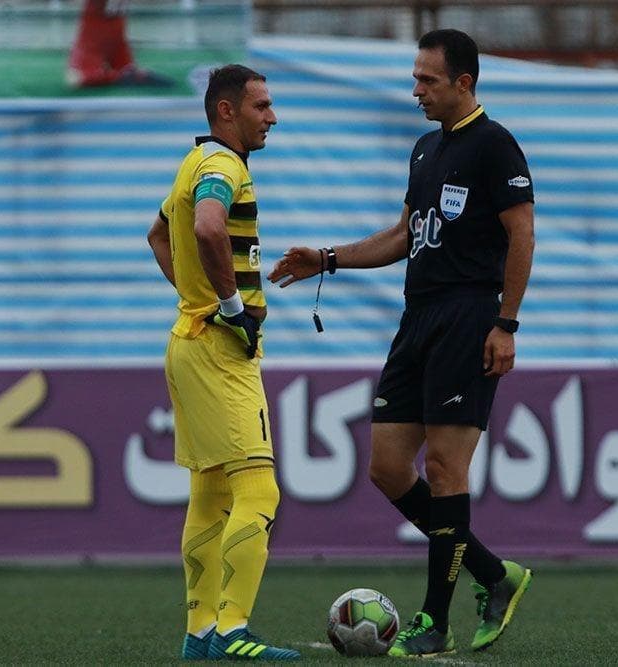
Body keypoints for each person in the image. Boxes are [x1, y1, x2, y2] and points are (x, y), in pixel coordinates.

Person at [268, 29, 535, 657]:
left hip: (469, 319)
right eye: (415, 77)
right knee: (387, 468)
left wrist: (506, 323)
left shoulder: (495, 145)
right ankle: (495, 575)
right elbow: (403, 235)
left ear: (463, 83)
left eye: (427, 80)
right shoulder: (424, 149)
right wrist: (327, 258)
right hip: (418, 320)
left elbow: (522, 235)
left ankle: (434, 623)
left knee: (444, 468)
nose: (416, 90)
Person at [147, 64, 298, 661]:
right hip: (219, 350)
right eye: (261, 106)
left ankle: (201, 632)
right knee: (259, 491)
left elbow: (158, 234)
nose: (272, 117)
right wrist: (229, 306)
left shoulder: (193, 161)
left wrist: (197, 296)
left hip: (188, 341)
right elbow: (208, 227)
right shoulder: (223, 166)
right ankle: (234, 631)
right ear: (226, 111)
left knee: (209, 493)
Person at [67, 0, 171, 88]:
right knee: (77, 78)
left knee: (76, 77)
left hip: (96, 42)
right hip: (112, 39)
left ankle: (121, 75)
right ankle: (127, 74)